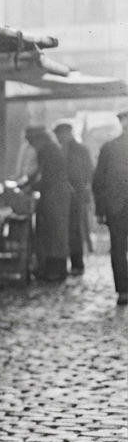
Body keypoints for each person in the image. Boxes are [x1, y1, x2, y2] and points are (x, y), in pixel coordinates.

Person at [22, 126, 71, 282]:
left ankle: (57, 270)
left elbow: (47, 176)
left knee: (56, 233)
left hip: (56, 195)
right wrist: (26, 183)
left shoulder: (49, 150)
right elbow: (38, 173)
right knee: (49, 233)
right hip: (51, 195)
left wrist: (31, 186)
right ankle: (50, 267)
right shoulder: (47, 150)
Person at [92, 110, 128, 306]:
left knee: (118, 248)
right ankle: (123, 291)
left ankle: (124, 291)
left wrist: (100, 209)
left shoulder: (110, 147)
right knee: (118, 248)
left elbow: (98, 181)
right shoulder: (108, 148)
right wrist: (100, 209)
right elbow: (98, 181)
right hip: (117, 207)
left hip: (117, 206)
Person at [55, 122, 95, 277]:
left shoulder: (80, 150)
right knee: (69, 229)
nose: (59, 138)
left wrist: (80, 188)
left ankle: (77, 263)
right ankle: (68, 262)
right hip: (65, 195)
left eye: (61, 134)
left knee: (75, 229)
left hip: (76, 195)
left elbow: (87, 172)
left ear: (68, 133)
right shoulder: (60, 150)